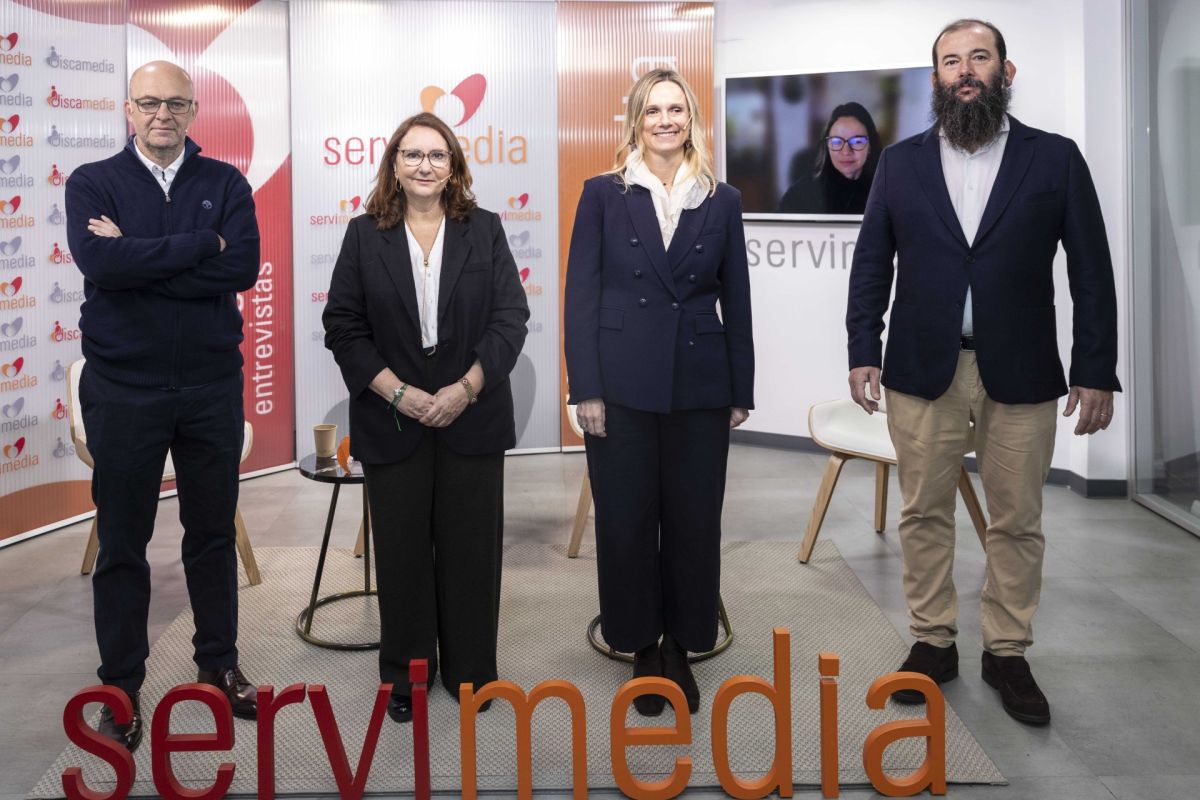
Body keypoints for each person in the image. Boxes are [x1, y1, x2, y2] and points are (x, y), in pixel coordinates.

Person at [846, 19, 1120, 725]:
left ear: (1006, 70)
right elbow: (871, 262)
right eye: (951, 61)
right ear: (935, 77)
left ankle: (1006, 650)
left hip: (1022, 370)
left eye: (979, 57)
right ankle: (933, 640)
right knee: (922, 512)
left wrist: (1095, 367)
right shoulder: (900, 163)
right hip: (921, 368)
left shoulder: (1054, 158)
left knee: (1018, 519)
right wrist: (862, 348)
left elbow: (1091, 269)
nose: (965, 70)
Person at [64, 60, 262, 752]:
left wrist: (139, 259)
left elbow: (240, 267)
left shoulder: (226, 183)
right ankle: (120, 686)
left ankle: (219, 663)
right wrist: (200, 247)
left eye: (176, 104)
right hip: (123, 391)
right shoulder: (92, 182)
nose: (162, 115)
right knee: (123, 544)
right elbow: (101, 265)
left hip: (210, 386)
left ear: (194, 111)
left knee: (211, 534)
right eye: (149, 102)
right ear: (128, 109)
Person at [323, 112, 528, 724]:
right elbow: (343, 326)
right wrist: (397, 394)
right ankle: (407, 674)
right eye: (412, 155)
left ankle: (472, 671)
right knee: (403, 552)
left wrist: (466, 389)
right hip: (393, 419)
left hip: (473, 414)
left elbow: (510, 319)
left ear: (454, 167)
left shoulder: (484, 230)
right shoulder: (363, 235)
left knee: (472, 553)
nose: (424, 166)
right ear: (394, 164)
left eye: (437, 155)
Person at [564, 69, 754, 716]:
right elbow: (581, 297)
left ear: (691, 119)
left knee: (695, 522)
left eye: (676, 110)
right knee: (626, 521)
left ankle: (681, 645)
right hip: (619, 384)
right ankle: (641, 646)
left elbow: (738, 300)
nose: (665, 121)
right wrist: (585, 389)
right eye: (653, 110)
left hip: (701, 383)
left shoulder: (722, 198)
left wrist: (740, 386)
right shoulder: (603, 193)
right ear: (636, 121)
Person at [779, 102, 881, 214]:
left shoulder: (886, 191)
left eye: (857, 142)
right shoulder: (802, 194)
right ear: (827, 146)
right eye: (836, 142)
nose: (846, 152)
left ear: (870, 146)